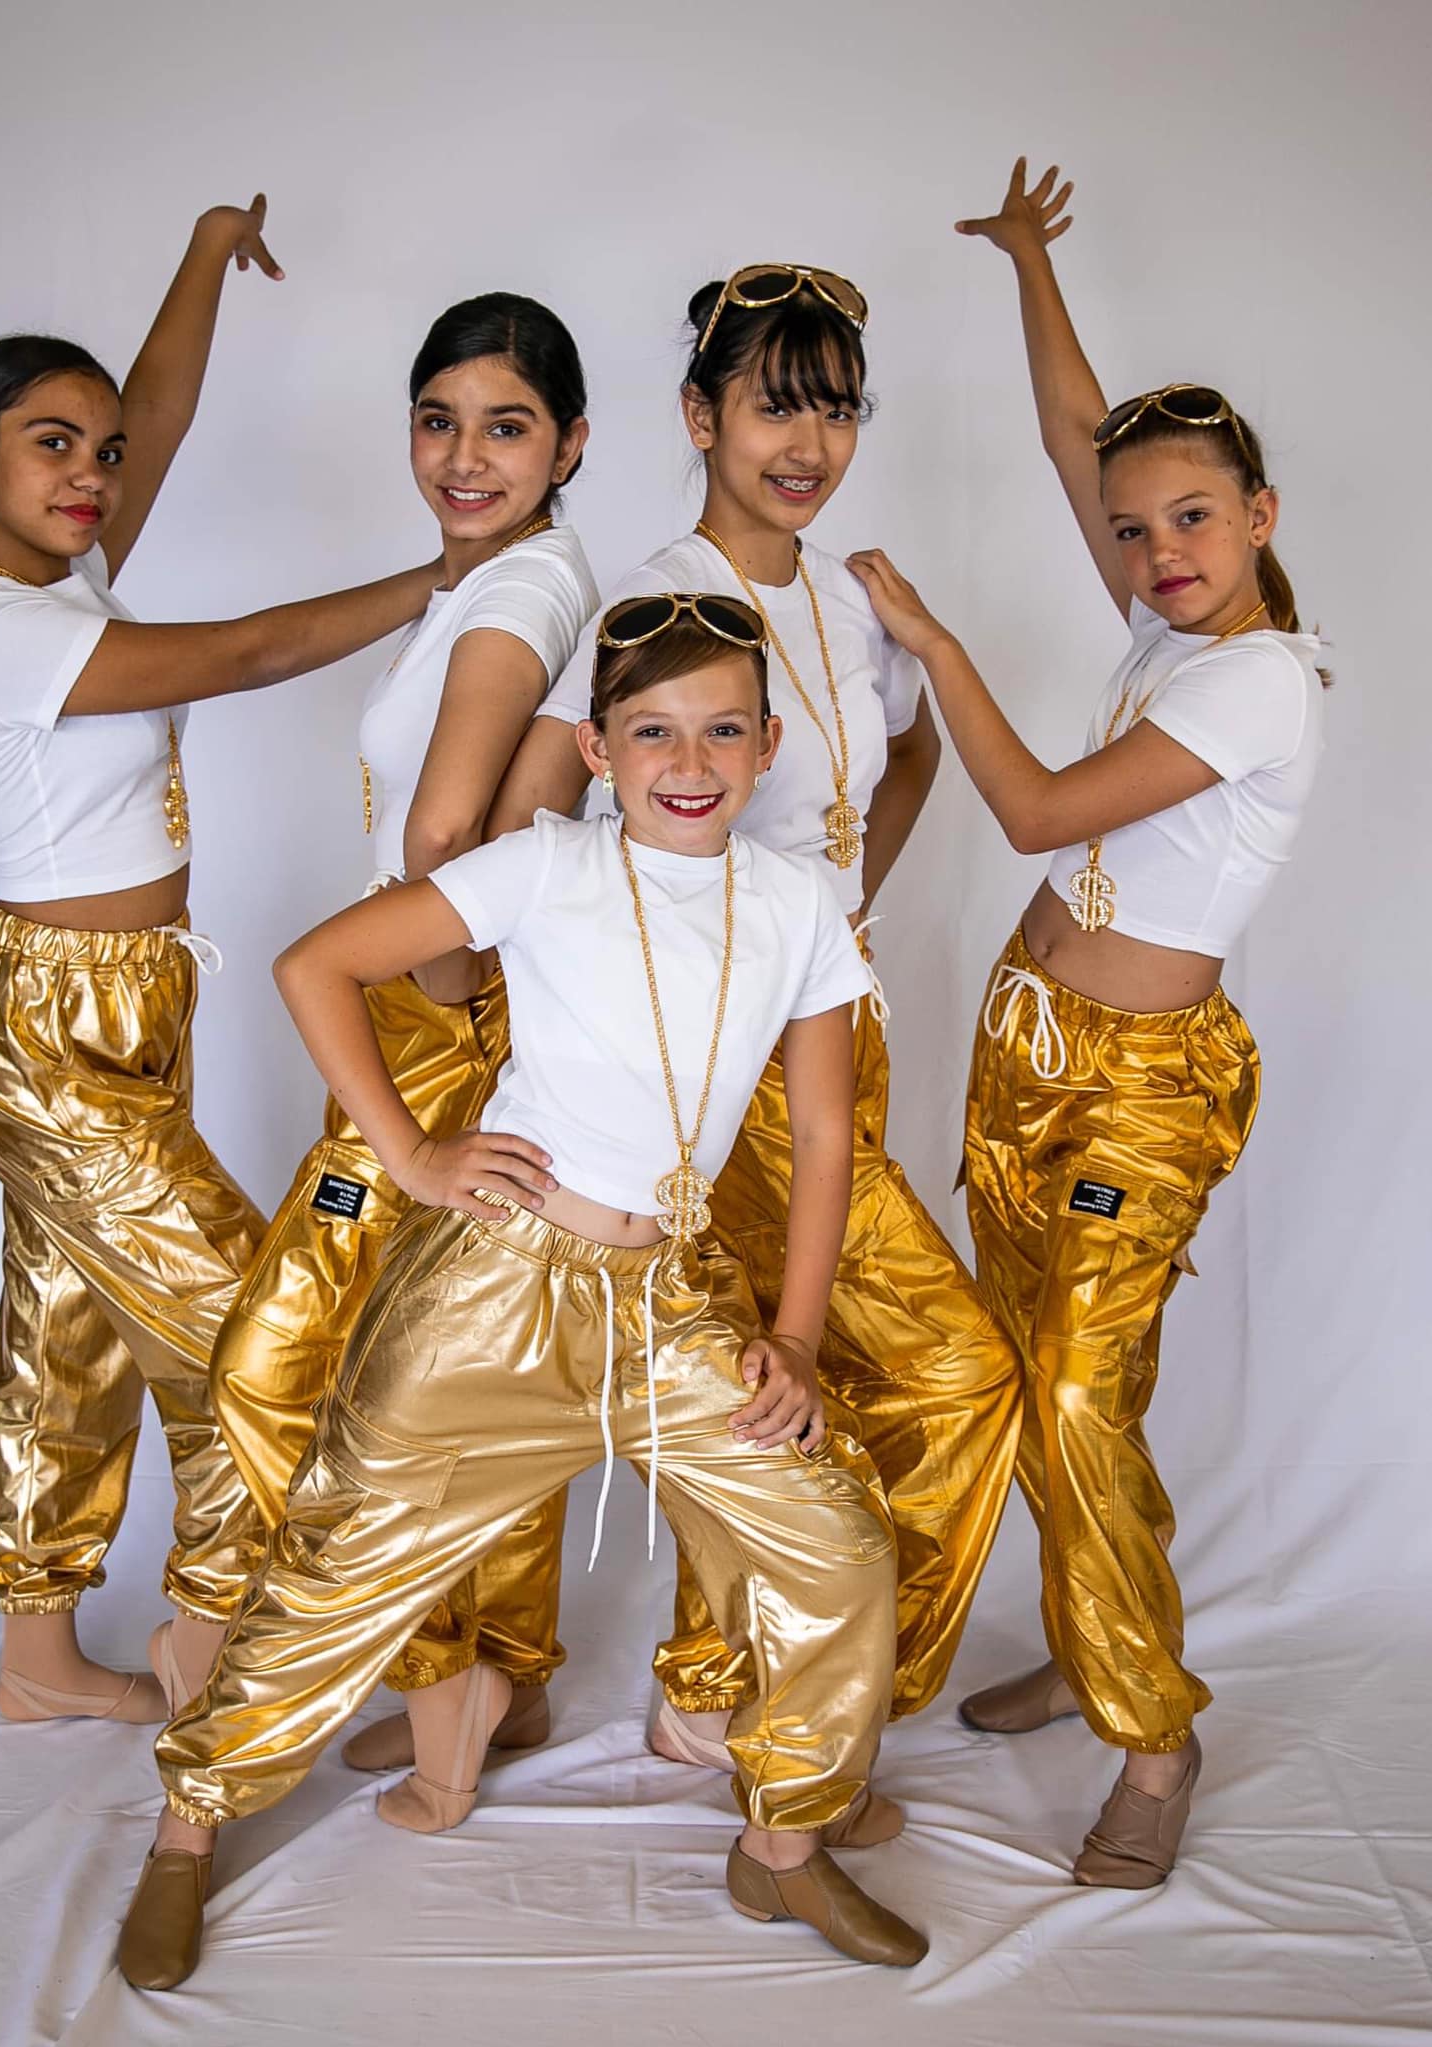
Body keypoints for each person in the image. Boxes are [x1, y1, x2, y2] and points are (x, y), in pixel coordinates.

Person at [116, 596, 928, 1989]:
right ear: (597, 751)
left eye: (722, 730)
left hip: (671, 1305)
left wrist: (793, 1336)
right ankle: (187, 1830)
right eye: (652, 732)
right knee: (336, 1567)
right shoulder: (546, 864)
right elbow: (319, 964)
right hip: (496, 1293)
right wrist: (412, 1154)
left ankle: (784, 1845)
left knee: (838, 1549)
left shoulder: (798, 904)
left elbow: (826, 1138)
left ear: (767, 746)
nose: (689, 761)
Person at [845, 159, 1327, 1887]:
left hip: (1137, 1095)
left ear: (1258, 514)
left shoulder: (1260, 679)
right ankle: (1087, 1626)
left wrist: (932, 641)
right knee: (1026, 1365)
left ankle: (1153, 1731)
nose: (1154, 551)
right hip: (1022, 1054)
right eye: (1135, 531)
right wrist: (1030, 266)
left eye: (1191, 518)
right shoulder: (1166, 622)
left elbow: (1039, 812)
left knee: (1069, 1393)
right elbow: (1079, 441)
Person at [0, 195, 446, 1724]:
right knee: (250, 1327)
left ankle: (35, 1660)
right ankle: (209, 1641)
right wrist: (448, 578)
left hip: (134, 1004)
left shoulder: (66, 576)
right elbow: (248, 652)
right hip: (43, 1028)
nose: (89, 474)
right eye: (50, 446)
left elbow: (153, 402)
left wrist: (209, 250)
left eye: (99, 453)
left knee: (68, 1318)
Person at [491, 264, 1021, 1766]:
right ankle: (770, 1705)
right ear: (698, 415)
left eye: (837, 409)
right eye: (775, 404)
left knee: (781, 1374)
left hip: (832, 1025)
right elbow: (533, 827)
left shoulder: (850, 597)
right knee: (946, 1375)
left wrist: (822, 933)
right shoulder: (655, 596)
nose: (808, 442)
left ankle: (723, 1687)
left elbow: (903, 765)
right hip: (715, 1062)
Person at [204, 293, 597, 1769]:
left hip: (428, 1018)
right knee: (467, 1357)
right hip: (446, 1011)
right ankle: (497, 1676)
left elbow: (440, 835)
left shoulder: (517, 595)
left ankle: (438, 1671)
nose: (464, 456)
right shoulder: (497, 577)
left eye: (507, 427)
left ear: (570, 444)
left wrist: (435, 1006)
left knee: (282, 1365)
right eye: (439, 422)